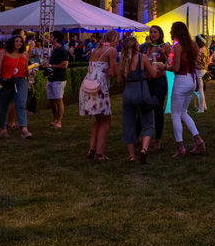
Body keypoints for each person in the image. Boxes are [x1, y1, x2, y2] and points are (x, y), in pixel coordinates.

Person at [79, 30, 120, 160]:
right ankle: (100, 153)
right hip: (99, 87)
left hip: (88, 84)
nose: (119, 42)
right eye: (118, 39)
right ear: (114, 39)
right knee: (106, 119)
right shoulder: (111, 51)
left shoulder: (96, 50)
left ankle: (92, 149)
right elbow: (113, 72)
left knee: (98, 119)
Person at [167, 21, 205, 157]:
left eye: (172, 30)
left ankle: (180, 147)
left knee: (175, 115)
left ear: (176, 31)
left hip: (181, 80)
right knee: (183, 112)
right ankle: (199, 141)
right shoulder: (193, 45)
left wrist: (163, 67)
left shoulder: (178, 47)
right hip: (192, 79)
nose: (171, 32)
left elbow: (176, 68)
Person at [118, 37, 159, 164]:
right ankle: (144, 149)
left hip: (128, 93)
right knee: (148, 122)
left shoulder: (122, 60)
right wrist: (155, 63)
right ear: (135, 46)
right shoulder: (142, 57)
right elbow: (154, 74)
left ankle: (131, 155)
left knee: (128, 123)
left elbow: (119, 80)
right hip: (141, 92)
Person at [0, 34, 32, 139]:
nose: (19, 43)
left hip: (21, 80)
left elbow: (25, 68)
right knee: (4, 106)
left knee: (20, 105)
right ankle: (2, 130)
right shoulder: (3, 53)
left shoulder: (24, 54)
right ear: (12, 42)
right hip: (6, 81)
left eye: (20, 41)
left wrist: (30, 72)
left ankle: (24, 129)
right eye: (16, 41)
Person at [139, 26, 171, 150]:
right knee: (144, 107)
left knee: (157, 110)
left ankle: (158, 139)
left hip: (159, 81)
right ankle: (139, 135)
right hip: (148, 80)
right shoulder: (146, 46)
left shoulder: (165, 46)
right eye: (151, 32)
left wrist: (165, 56)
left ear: (160, 33)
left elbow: (171, 63)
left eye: (155, 32)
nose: (153, 34)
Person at [45, 31, 70, 128]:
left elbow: (65, 65)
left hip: (59, 79)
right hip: (51, 78)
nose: (49, 39)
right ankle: (55, 119)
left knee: (58, 100)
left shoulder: (62, 50)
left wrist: (50, 65)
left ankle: (59, 121)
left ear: (55, 39)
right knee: (51, 99)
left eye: (51, 37)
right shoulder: (54, 49)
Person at [194, 35, 208, 112]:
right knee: (200, 90)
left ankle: (201, 108)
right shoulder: (205, 48)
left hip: (199, 69)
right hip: (204, 69)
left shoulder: (199, 50)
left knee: (200, 90)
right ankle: (204, 106)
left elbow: (196, 60)